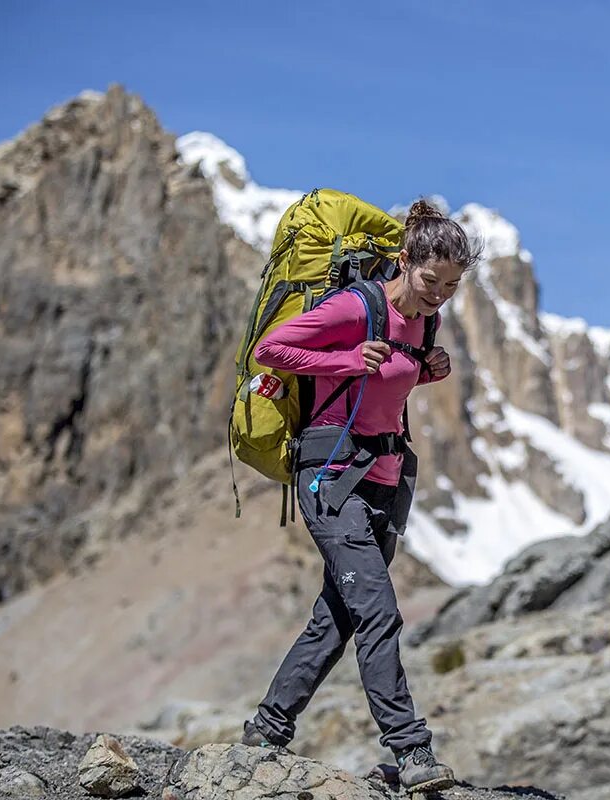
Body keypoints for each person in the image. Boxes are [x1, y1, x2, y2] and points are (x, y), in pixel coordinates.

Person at [239, 199, 480, 793]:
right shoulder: (355, 306)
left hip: (385, 476)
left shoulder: (427, 321)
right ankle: (412, 749)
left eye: (451, 285)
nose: (439, 294)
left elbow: (393, 376)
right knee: (376, 609)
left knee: (339, 617)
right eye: (431, 281)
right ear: (405, 261)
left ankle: (266, 729)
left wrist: (428, 368)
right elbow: (272, 349)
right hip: (330, 472)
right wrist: (348, 357)